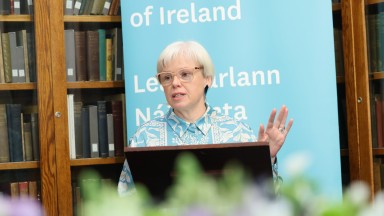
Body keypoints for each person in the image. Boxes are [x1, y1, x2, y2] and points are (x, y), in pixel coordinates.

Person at [118, 40, 293, 196]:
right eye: (167, 77)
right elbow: (125, 200)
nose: (175, 83)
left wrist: (266, 158)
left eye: (185, 74)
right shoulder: (144, 138)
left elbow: (267, 199)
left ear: (207, 79)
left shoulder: (237, 134)